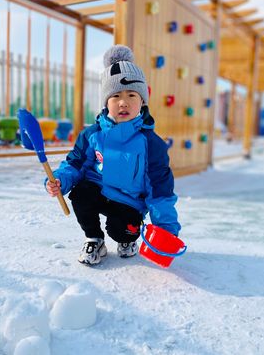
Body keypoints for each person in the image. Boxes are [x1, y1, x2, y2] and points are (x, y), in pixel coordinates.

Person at [45, 45, 181, 265]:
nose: (123, 102)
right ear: (106, 102)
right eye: (115, 95)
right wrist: (61, 179)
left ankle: (126, 239)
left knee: (122, 232)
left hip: (129, 202)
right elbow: (75, 164)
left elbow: (160, 189)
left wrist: (165, 229)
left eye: (131, 95)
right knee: (81, 193)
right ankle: (94, 238)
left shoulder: (151, 144)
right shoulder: (92, 135)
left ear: (142, 101)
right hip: (97, 190)